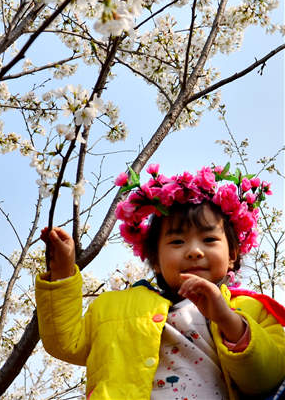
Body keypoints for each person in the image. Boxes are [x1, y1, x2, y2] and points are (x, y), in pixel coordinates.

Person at [36, 164, 285, 400]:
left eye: (209, 240)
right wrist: (62, 272)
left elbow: (267, 378)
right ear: (155, 260)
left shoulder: (254, 310)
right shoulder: (113, 306)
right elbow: (65, 342)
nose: (194, 251)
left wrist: (228, 320)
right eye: (177, 242)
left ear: (232, 255)